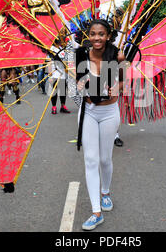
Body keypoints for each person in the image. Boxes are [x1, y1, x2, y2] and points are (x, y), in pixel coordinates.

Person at [75, 19, 126, 230]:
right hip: (88, 111)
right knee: (91, 160)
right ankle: (96, 211)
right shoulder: (80, 55)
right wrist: (79, 84)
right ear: (89, 36)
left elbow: (122, 80)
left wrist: (118, 87)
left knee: (105, 159)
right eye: (93, 34)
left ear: (108, 35)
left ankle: (105, 192)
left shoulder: (117, 55)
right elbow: (78, 81)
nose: (97, 38)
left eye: (101, 34)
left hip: (109, 112)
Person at [49, 39, 70, 114]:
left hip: (63, 74)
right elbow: (49, 62)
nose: (63, 41)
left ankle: (63, 106)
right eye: (61, 40)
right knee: (54, 91)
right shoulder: (51, 49)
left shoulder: (61, 48)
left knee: (63, 91)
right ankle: (54, 107)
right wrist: (50, 75)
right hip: (55, 73)